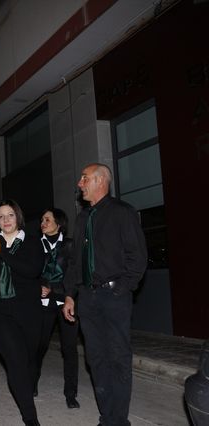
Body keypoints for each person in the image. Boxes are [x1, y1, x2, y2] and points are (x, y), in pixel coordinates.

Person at [63, 163, 147, 426]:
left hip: (113, 297)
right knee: (96, 359)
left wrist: (121, 288)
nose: (79, 183)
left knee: (118, 359)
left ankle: (118, 421)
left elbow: (138, 257)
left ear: (100, 181)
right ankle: (106, 417)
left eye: (84, 178)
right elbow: (76, 262)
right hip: (87, 299)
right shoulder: (83, 218)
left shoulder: (123, 213)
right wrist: (70, 294)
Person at [0, 199, 44, 426]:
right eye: (1, 216)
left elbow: (32, 270)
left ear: (18, 217)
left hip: (28, 311)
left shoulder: (32, 242)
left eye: (10, 215)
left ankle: (26, 390)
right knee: (16, 361)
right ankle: (31, 418)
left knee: (28, 362)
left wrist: (2, 252)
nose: (6, 220)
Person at [35, 208, 80, 409]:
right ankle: (31, 384)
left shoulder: (70, 245)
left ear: (58, 224)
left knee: (69, 349)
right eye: (42, 220)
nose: (43, 223)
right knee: (39, 346)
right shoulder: (36, 245)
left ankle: (71, 393)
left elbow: (74, 275)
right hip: (42, 303)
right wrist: (38, 286)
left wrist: (55, 290)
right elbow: (30, 271)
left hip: (65, 301)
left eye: (47, 219)